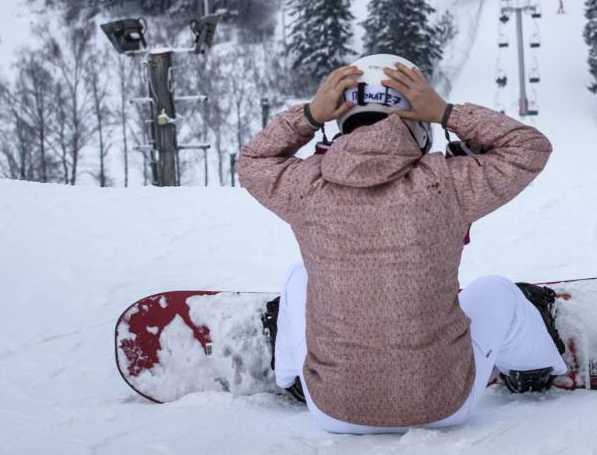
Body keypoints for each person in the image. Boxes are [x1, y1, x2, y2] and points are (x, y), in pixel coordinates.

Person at [240, 55, 565, 433]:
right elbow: (529, 147)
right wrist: (447, 112)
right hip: (443, 405)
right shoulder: (447, 182)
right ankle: (534, 370)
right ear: (421, 127)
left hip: (333, 409)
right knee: (497, 291)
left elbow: (253, 159)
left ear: (340, 125)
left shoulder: (306, 186)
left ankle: (294, 378)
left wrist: (309, 115)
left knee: (299, 277)